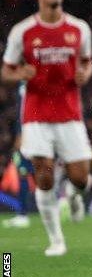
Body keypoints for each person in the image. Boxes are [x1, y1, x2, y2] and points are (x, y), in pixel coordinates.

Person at [1, 0, 92, 256]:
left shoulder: (79, 28)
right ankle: (56, 240)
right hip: (36, 114)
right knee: (44, 174)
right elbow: (6, 68)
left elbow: (88, 63)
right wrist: (20, 72)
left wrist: (84, 75)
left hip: (69, 114)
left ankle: (75, 198)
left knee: (81, 178)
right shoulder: (23, 31)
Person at [2, 89, 33, 229]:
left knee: (26, 173)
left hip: (29, 135)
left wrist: (21, 134)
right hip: (30, 133)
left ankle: (23, 215)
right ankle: (23, 214)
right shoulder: (24, 84)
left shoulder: (26, 86)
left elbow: (26, 111)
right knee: (27, 173)